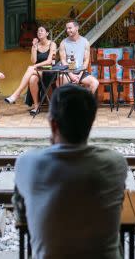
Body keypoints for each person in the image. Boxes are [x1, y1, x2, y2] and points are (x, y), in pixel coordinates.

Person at [13, 85, 127, 259]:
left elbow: (21, 213)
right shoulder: (116, 163)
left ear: (53, 124)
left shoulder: (27, 163)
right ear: (91, 121)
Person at [4, 25, 57, 115]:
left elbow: (49, 61)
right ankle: (36, 106)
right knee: (32, 79)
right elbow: (33, 60)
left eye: (41, 31)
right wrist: (34, 47)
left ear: (47, 33)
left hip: (49, 69)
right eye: (38, 31)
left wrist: (35, 66)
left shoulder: (52, 44)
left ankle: (16, 94)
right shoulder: (36, 45)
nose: (39, 32)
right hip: (38, 70)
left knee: (30, 68)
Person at [58, 20, 99, 93]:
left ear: (77, 28)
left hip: (81, 72)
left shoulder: (85, 42)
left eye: (70, 28)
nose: (68, 30)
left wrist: (80, 75)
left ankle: (85, 102)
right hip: (68, 72)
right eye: (67, 28)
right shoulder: (63, 43)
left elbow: (86, 61)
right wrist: (71, 75)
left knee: (95, 83)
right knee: (60, 80)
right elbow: (63, 61)